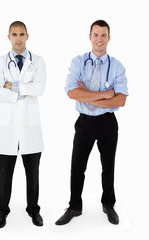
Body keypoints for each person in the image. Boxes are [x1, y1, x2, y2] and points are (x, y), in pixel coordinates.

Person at [55, 20, 128, 226]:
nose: (99, 39)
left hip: (108, 123)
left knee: (108, 167)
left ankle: (108, 204)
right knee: (77, 166)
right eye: (95, 35)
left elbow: (121, 100)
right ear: (90, 37)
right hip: (85, 122)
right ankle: (74, 207)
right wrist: (105, 95)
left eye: (103, 35)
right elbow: (71, 92)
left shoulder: (117, 66)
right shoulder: (78, 62)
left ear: (109, 38)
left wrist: (86, 96)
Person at [0, 21, 46, 228]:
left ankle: (33, 210)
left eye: (22, 34)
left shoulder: (38, 62)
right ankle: (2, 211)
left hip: (31, 128)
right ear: (8, 37)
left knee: (33, 173)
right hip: (7, 128)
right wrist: (24, 90)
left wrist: (11, 86)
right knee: (4, 173)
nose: (18, 38)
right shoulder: (0, 62)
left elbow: (40, 88)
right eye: (14, 34)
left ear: (27, 36)